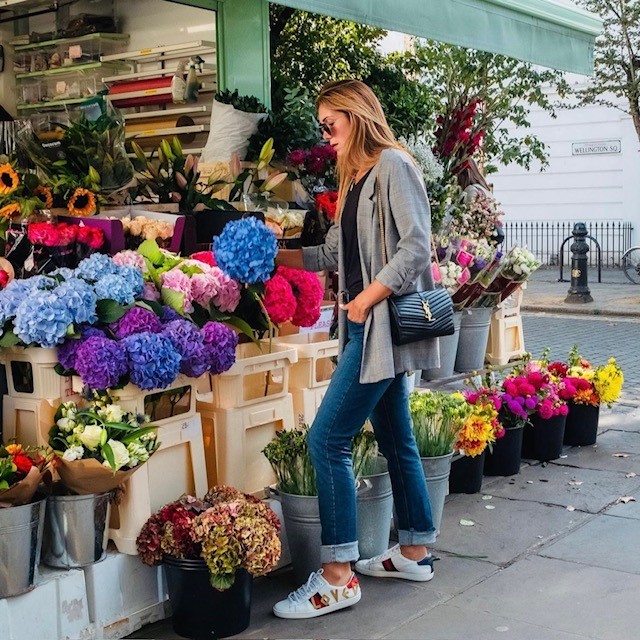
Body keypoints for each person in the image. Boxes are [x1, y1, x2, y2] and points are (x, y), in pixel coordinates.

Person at [272, 79, 440, 620]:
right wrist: (273, 255)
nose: (326, 135)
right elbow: (330, 253)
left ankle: (338, 575)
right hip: (367, 330)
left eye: (330, 123)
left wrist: (367, 299)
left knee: (326, 441)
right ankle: (414, 550)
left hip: (378, 330)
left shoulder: (393, 165)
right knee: (396, 438)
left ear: (355, 115)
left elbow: (417, 246)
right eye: (322, 126)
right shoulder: (354, 180)